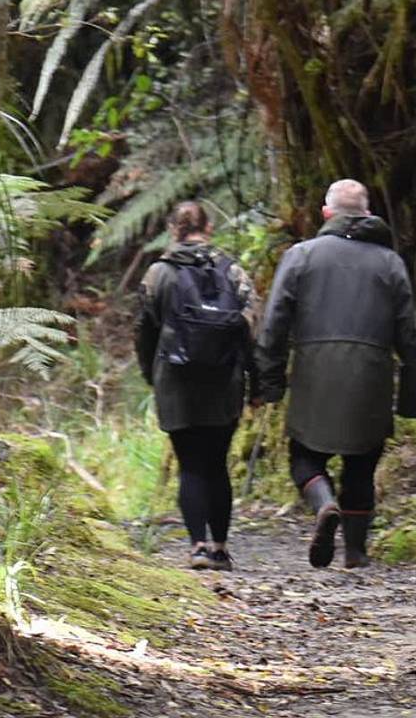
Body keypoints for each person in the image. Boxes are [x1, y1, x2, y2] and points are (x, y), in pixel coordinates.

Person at [256, 179, 416, 569]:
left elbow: (274, 323)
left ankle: (324, 503)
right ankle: (356, 552)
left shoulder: (301, 256)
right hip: (372, 376)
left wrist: (270, 382)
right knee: (362, 462)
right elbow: (409, 335)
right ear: (367, 214)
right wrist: (410, 398)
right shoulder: (390, 263)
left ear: (327, 214)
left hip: (314, 374)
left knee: (304, 456)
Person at [135, 201, 258, 571]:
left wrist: (150, 373)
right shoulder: (233, 270)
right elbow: (252, 326)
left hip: (175, 380)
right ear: (209, 226)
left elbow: (144, 329)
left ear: (173, 228)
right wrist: (256, 378)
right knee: (217, 463)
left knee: (189, 463)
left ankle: (198, 547)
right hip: (225, 379)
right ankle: (220, 547)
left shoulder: (158, 273)